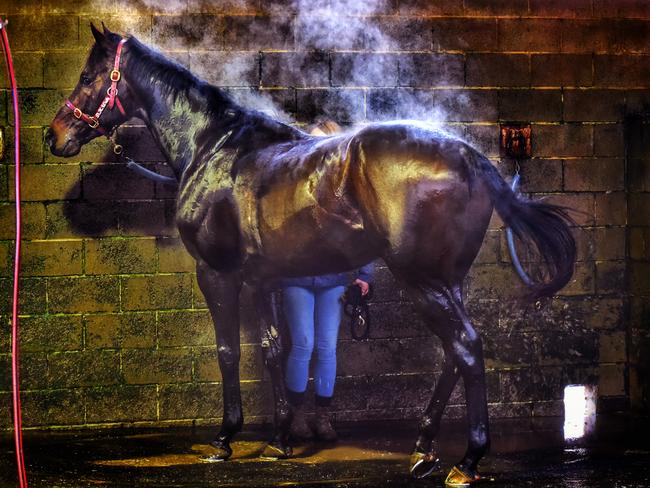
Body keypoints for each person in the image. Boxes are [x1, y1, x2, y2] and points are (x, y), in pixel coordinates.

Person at [281, 263, 373, 442]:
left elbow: (364, 235)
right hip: (295, 276)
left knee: (327, 348)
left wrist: (365, 275)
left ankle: (322, 417)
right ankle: (297, 417)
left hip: (333, 277)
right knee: (303, 344)